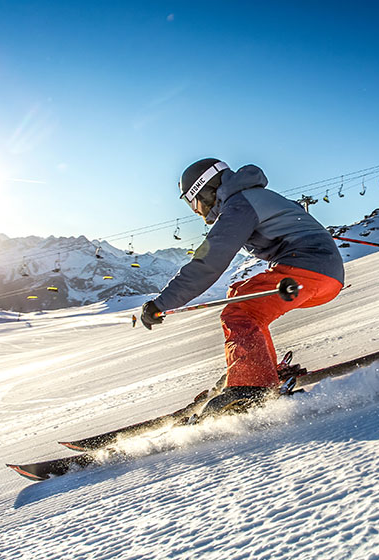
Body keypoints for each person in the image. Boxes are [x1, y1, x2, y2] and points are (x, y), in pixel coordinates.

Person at [140, 159, 345, 414]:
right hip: (324, 274)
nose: (195, 211)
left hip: (307, 269)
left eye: (193, 202)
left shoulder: (239, 206)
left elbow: (209, 262)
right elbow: (294, 216)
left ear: (207, 190)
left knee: (240, 311)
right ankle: (262, 370)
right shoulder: (253, 196)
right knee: (239, 295)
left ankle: (252, 387)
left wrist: (162, 303)